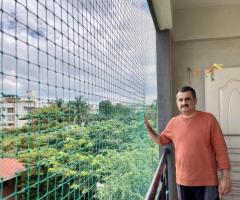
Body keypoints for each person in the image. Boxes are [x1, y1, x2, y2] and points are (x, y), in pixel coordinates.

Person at [144, 86, 231, 200]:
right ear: (177, 102)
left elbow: (221, 149)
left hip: (207, 181)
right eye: (180, 100)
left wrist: (226, 177)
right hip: (183, 181)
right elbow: (161, 140)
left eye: (187, 99)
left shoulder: (209, 119)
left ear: (195, 100)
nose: (184, 102)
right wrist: (149, 129)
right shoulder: (173, 122)